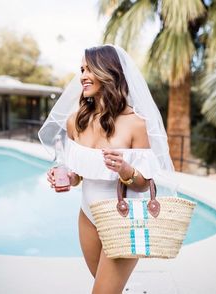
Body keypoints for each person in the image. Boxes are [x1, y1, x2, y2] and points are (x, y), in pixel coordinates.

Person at [38, 44, 174, 294]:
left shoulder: (136, 124)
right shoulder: (75, 121)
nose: (83, 76)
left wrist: (124, 169)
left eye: (90, 69)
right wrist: (67, 176)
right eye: (81, 69)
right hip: (87, 217)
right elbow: (79, 175)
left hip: (125, 220)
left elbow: (144, 183)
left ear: (109, 72)